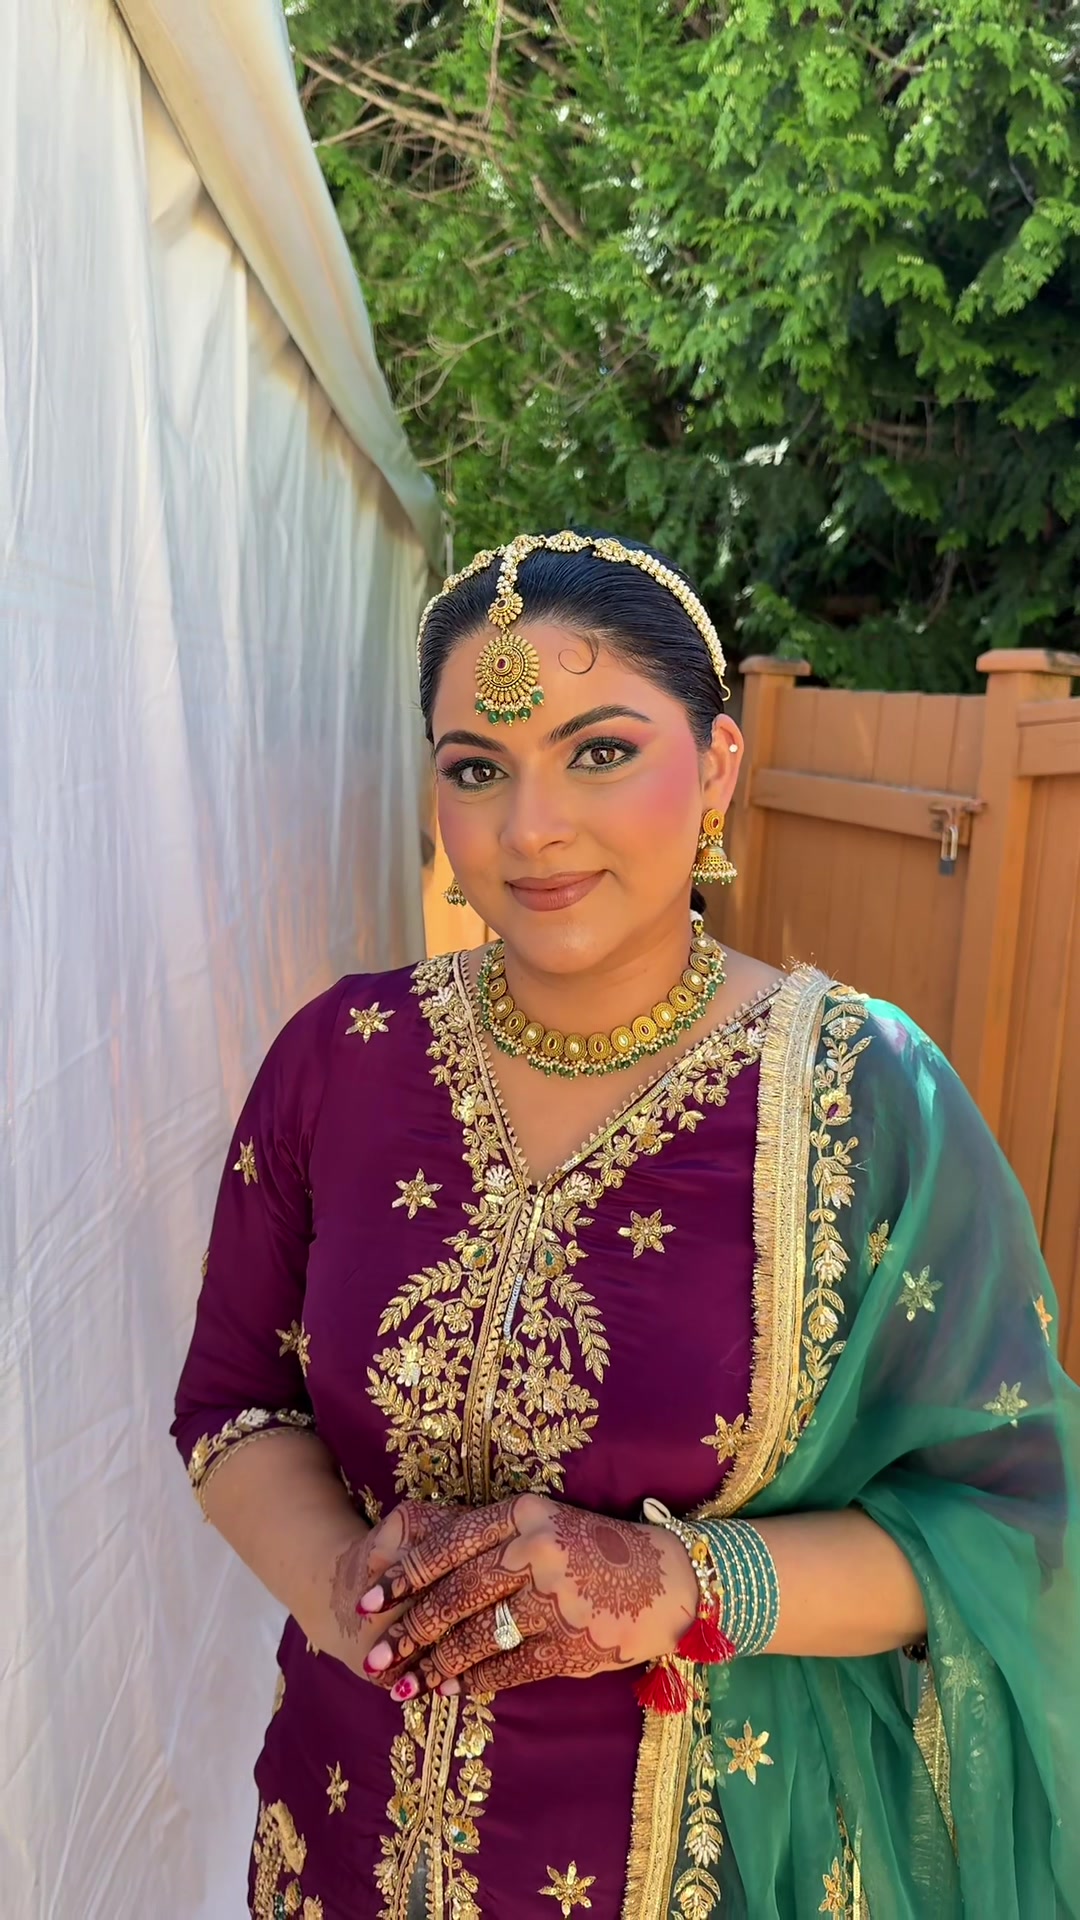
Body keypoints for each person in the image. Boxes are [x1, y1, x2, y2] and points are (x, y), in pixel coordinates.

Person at [173, 530, 1080, 1920]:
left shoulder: (862, 1094)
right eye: (477, 768)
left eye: (599, 752)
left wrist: (679, 1580)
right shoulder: (340, 1059)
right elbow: (236, 1404)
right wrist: (341, 1581)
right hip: (345, 1833)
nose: (531, 828)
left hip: (720, 1861)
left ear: (717, 766)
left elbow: (1011, 1523)